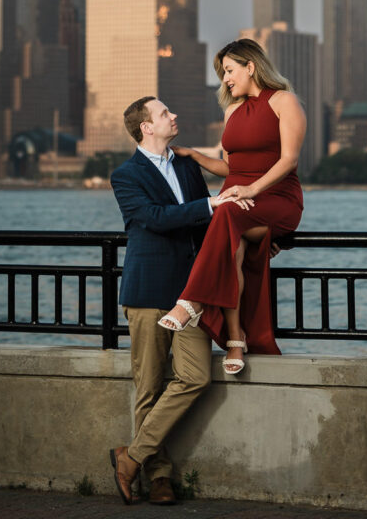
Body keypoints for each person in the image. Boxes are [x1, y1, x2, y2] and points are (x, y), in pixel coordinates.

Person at [108, 95, 248, 506]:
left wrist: (249, 243)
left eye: (171, 110)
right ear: (145, 127)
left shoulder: (187, 165)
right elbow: (153, 218)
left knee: (196, 377)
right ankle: (159, 477)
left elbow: (210, 226)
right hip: (149, 292)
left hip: (192, 295)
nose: (174, 116)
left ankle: (130, 457)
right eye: (165, 113)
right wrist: (208, 205)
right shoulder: (125, 175)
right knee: (148, 386)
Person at [158, 38, 305, 374]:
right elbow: (230, 168)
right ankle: (236, 341)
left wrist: (250, 188)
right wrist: (195, 156)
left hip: (277, 200)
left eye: (228, 70)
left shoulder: (284, 101)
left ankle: (191, 302)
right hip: (238, 204)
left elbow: (290, 160)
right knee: (231, 247)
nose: (224, 79)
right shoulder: (232, 111)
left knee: (224, 211)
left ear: (250, 67)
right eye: (222, 73)